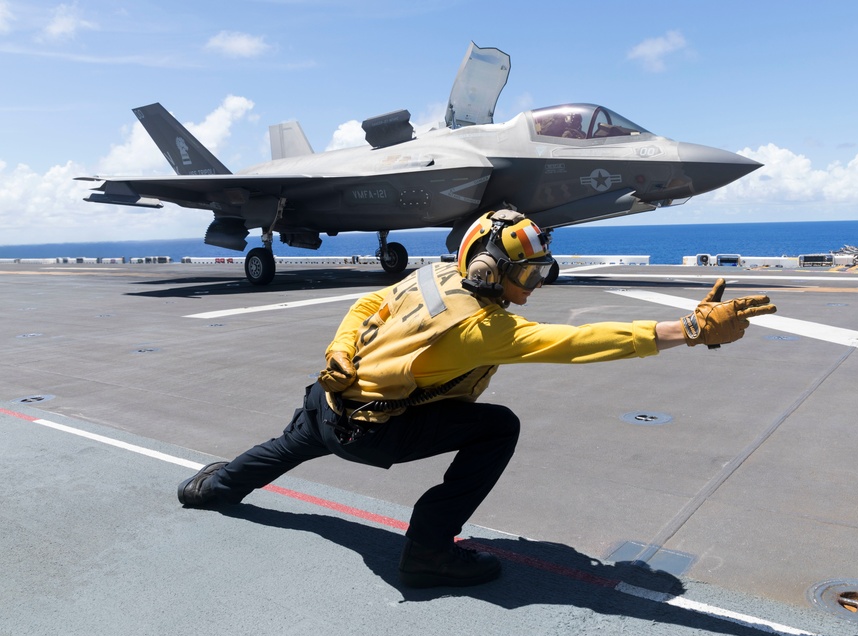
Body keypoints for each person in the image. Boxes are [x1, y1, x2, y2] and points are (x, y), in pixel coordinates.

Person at [178, 210, 776, 588]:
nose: (534, 286)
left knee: (291, 444)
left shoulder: (431, 275)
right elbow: (579, 344)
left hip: (329, 400)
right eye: (531, 275)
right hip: (374, 429)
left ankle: (211, 489)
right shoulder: (482, 327)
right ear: (492, 269)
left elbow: (366, 307)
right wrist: (690, 329)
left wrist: (338, 350)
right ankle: (429, 551)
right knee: (498, 427)